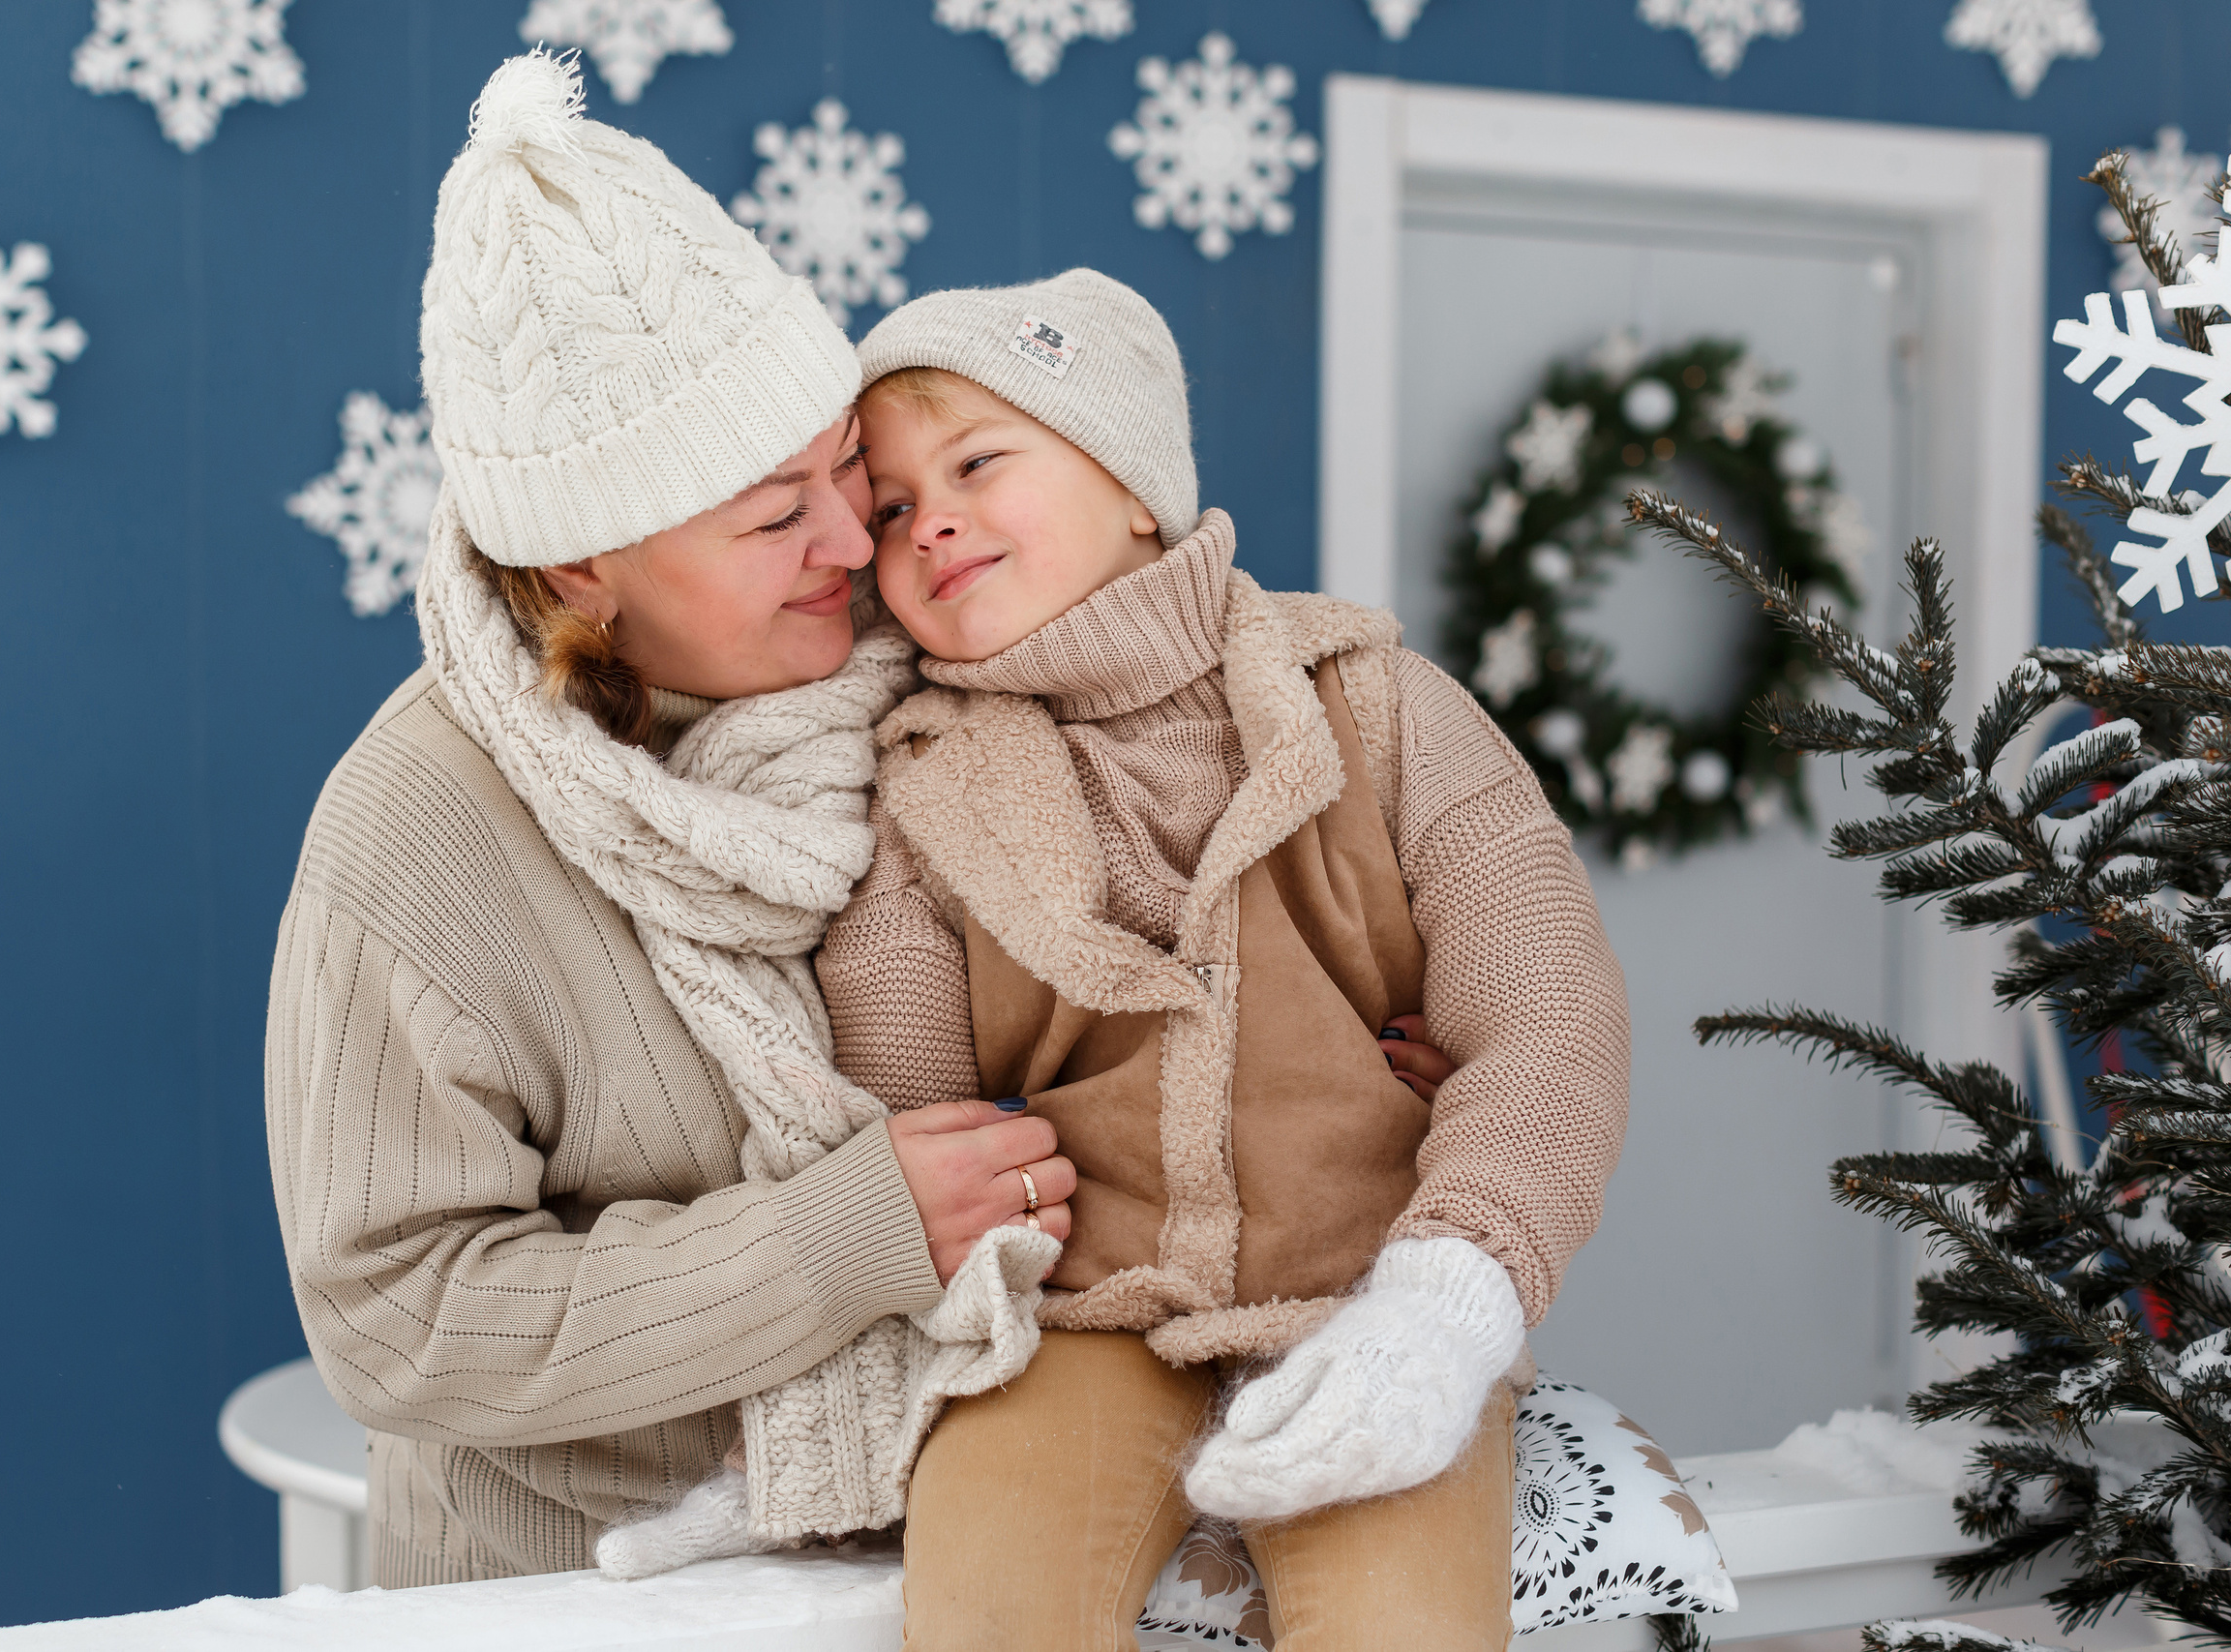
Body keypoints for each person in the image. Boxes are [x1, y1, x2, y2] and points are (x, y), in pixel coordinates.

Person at [260, 50, 1085, 1585]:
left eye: (845, 471)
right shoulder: (416, 832)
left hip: (956, 1548)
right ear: (583, 567)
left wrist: (1323, 1038)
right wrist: (834, 1241)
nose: (854, 541)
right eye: (775, 515)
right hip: (582, 1588)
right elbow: (398, 1321)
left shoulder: (947, 669)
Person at [810, 270, 1634, 1649]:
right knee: (991, 1609)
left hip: (1370, 1294)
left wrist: (1445, 1303)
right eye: (888, 510)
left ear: (1135, 484)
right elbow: (898, 1108)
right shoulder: (920, 790)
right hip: (1072, 1326)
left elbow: (1550, 1016)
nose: (927, 520)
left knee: (1405, 1628)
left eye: (977, 463)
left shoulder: (1380, 705)